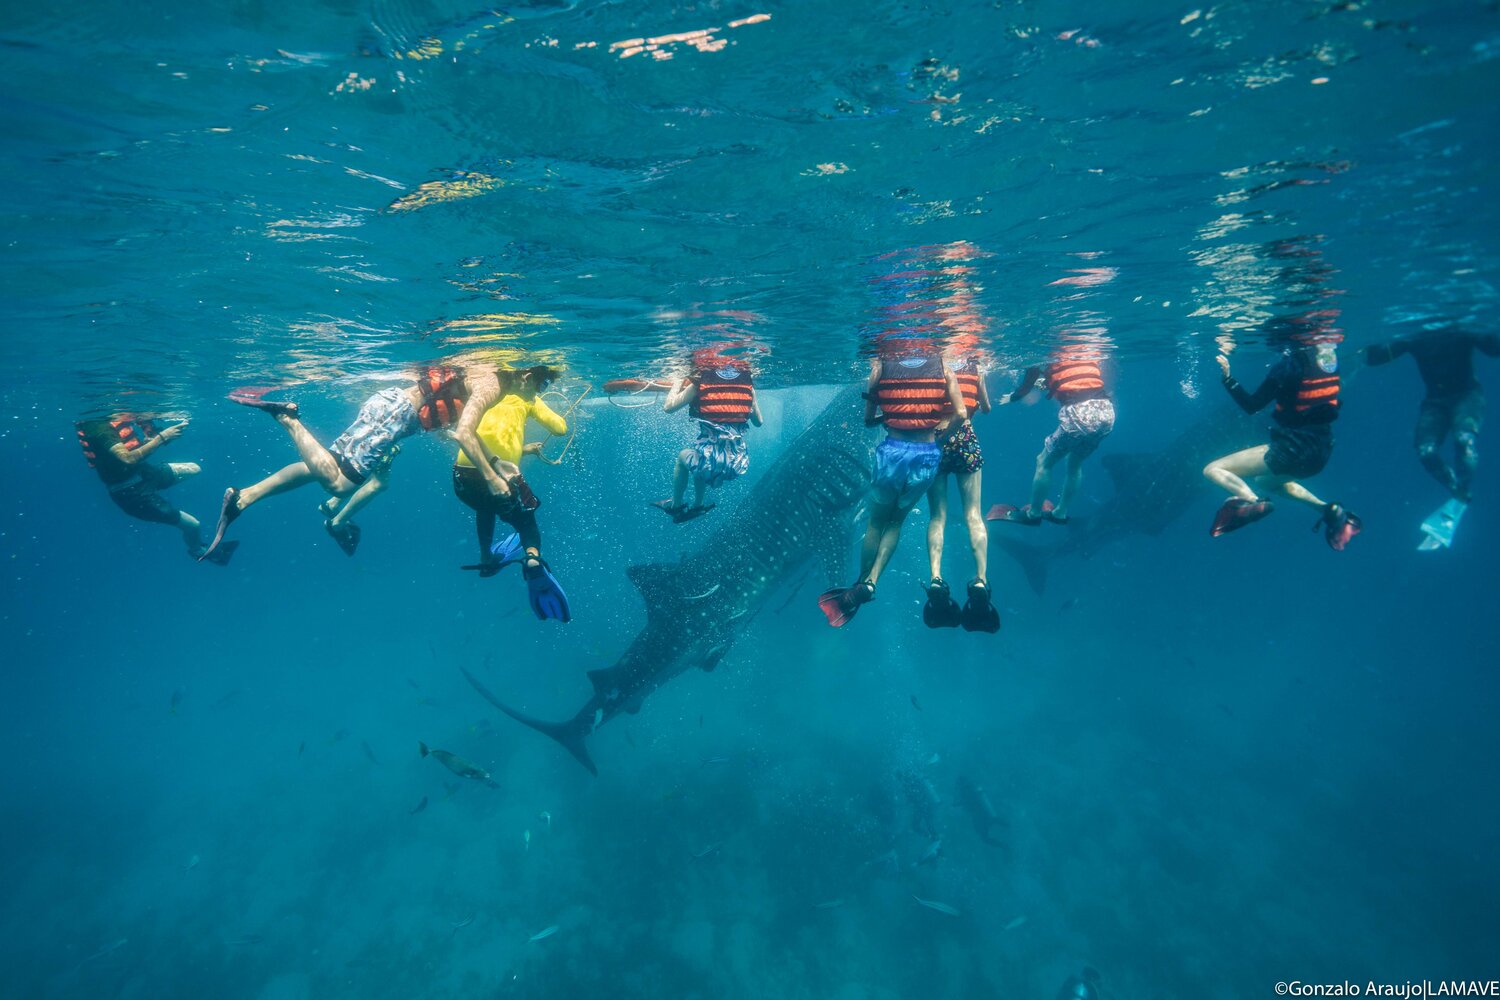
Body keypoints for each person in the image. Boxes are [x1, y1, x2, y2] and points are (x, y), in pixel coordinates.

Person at [200, 365, 519, 560]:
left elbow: (451, 429)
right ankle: (288, 418)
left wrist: (491, 460)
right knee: (338, 484)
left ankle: (244, 497)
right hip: (395, 416)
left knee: (325, 465)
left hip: (391, 413)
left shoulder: (479, 381)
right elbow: (463, 431)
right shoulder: (491, 381)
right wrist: (491, 475)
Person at [817, 342, 972, 628]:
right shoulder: (944, 367)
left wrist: (887, 417)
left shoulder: (879, 366)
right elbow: (961, 414)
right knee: (896, 523)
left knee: (876, 523)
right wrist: (938, 437)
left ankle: (862, 582)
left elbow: (867, 420)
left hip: (892, 453)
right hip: (926, 455)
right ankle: (873, 580)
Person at [1203, 335, 1361, 548]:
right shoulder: (1328, 362)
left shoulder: (1288, 366)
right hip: (1322, 451)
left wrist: (1227, 378)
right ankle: (1326, 509)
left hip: (1293, 449)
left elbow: (1252, 405)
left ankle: (1252, 501)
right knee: (1264, 481)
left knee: (1212, 469)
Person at [453, 365, 572, 623]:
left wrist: (525, 449)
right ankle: (532, 561)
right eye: (543, 385)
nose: (542, 391)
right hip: (496, 477)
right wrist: (541, 404)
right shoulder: (528, 398)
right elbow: (560, 428)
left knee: (485, 507)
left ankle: (486, 557)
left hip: (462, 476)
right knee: (526, 523)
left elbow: (487, 434)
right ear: (528, 378)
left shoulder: (492, 390)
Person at [1364, 324, 1500, 503]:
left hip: (1467, 396)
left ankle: (1464, 488)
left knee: (1463, 439)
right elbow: (1375, 358)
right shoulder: (1416, 336)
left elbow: (1494, 348)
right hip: (1435, 401)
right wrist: (1373, 334)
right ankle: (1455, 488)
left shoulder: (1459, 329)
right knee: (1425, 452)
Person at [75, 413, 235, 564]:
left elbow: (124, 458)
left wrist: (152, 439)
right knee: (193, 525)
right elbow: (127, 458)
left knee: (195, 468)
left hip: (143, 473)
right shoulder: (98, 426)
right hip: (130, 493)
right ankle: (197, 550)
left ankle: (161, 495)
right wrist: (162, 437)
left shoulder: (108, 418)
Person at [993, 345, 1115, 524]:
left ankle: (1033, 514)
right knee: (1075, 463)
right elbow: (1076, 380)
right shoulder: (1085, 350)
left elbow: (1025, 388)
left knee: (1044, 462)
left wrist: (1012, 398)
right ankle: (1060, 512)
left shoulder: (1040, 354)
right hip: (1106, 412)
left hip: (1079, 414)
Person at [921, 348, 997, 631]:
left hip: (936, 440)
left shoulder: (935, 367)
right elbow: (986, 408)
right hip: (965, 438)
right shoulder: (975, 367)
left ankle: (936, 578)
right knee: (973, 515)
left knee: (937, 517)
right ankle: (979, 579)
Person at [654, 351, 763, 523]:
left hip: (712, 462)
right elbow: (759, 422)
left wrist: (676, 383)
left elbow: (668, 407)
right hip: (738, 462)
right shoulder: (748, 387)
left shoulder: (700, 383)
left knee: (683, 456)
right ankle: (697, 505)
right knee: (700, 457)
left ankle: (675, 505)